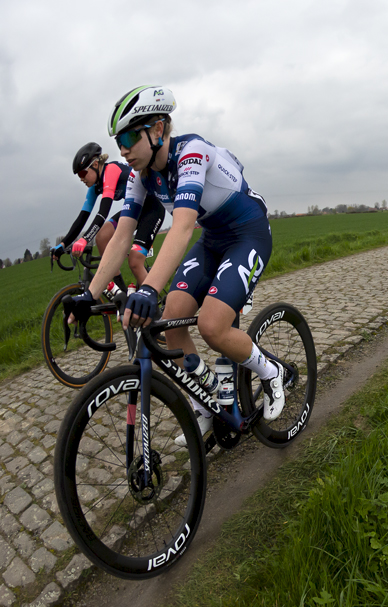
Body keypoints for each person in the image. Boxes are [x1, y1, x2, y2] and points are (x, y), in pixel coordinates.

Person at [67, 85, 284, 438]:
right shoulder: (141, 178)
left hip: (248, 234)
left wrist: (150, 288)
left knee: (213, 327)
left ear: (158, 129)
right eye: (118, 140)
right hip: (213, 239)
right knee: (171, 324)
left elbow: (182, 227)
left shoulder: (191, 153)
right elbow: (122, 238)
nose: (122, 148)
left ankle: (271, 371)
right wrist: (89, 295)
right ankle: (204, 405)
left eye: (128, 136)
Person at [52, 143, 165, 291]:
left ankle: (153, 309)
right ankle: (122, 292)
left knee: (135, 262)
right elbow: (82, 218)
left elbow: (102, 212)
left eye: (82, 173)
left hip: (152, 207)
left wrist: (85, 239)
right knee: (101, 236)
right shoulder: (94, 187)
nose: (81, 179)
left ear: (96, 164)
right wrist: (63, 244)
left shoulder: (110, 170)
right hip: (134, 209)